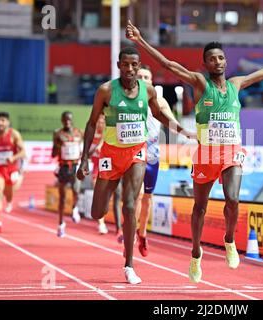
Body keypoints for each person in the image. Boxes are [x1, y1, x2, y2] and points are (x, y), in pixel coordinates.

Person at [126, 20, 263, 283]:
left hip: (231, 152)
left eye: (221, 58)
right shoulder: (200, 83)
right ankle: (195, 253)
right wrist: (141, 42)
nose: (218, 62)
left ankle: (229, 240)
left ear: (226, 61)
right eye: (212, 59)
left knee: (232, 199)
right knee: (199, 207)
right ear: (206, 64)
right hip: (206, 155)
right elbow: (169, 65)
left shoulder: (236, 84)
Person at [76, 45, 195, 284]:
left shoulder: (148, 91)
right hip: (110, 154)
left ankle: (129, 264)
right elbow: (91, 124)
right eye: (126, 64)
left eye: (134, 64)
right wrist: (85, 159)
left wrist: (183, 131)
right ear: (119, 66)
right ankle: (109, 193)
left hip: (136, 154)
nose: (130, 69)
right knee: (97, 211)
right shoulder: (106, 91)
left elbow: (161, 115)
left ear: (138, 66)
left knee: (130, 205)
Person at [133, 65, 177, 257]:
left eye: (146, 77)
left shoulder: (159, 100)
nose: (143, 79)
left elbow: (172, 122)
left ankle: (142, 233)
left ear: (151, 81)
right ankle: (131, 231)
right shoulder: (130, 98)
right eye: (140, 76)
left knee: (147, 199)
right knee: (137, 195)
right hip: (134, 153)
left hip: (152, 155)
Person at [52, 111, 83, 237]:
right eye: (65, 120)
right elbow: (53, 154)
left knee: (76, 190)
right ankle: (61, 224)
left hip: (75, 166)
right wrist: (58, 145)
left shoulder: (79, 132)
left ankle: (74, 208)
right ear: (62, 120)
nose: (67, 122)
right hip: (63, 167)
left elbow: (83, 147)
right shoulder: (58, 134)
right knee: (62, 197)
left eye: (69, 119)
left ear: (72, 120)